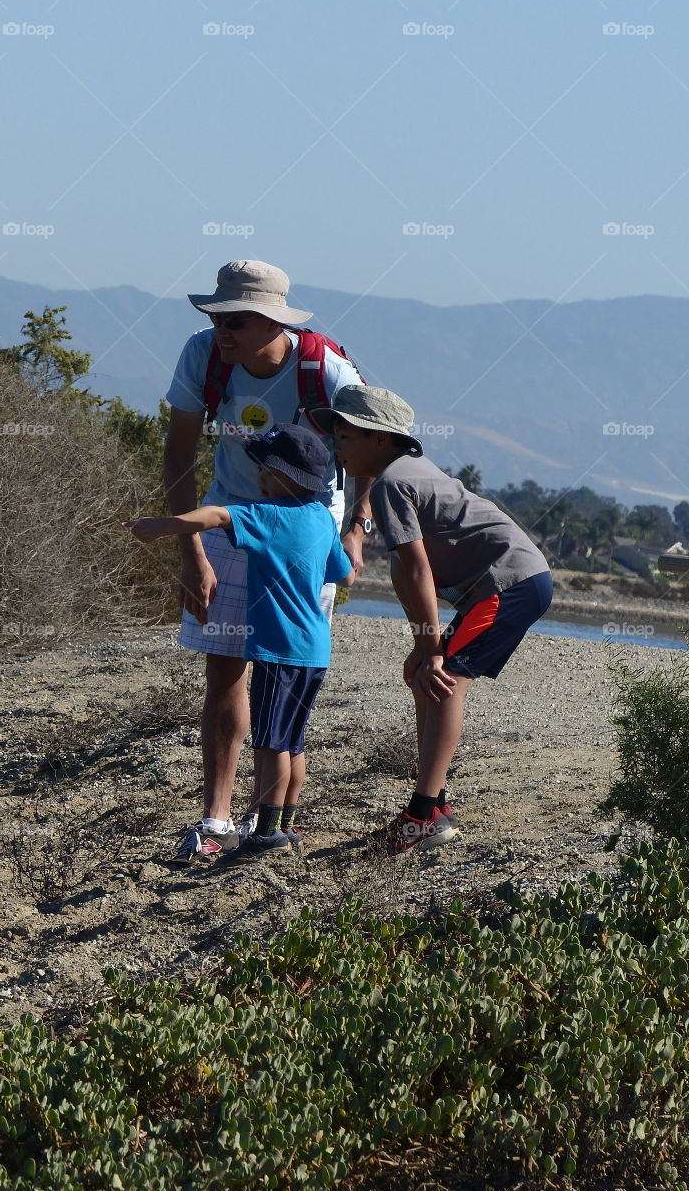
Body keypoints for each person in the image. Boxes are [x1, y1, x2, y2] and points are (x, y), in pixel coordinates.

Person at [163, 260, 372, 861]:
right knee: (224, 664)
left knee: (284, 667)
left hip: (308, 524)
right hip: (226, 516)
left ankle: (271, 815)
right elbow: (177, 454)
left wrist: (357, 526)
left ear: (274, 321)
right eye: (216, 317)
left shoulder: (325, 369)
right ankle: (216, 818)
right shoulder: (202, 358)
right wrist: (191, 552)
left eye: (238, 320)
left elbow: (371, 444)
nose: (222, 329)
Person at [310, 384, 553, 855]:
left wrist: (430, 650)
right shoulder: (402, 475)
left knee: (446, 680)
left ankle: (422, 814)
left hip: (510, 582)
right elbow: (405, 571)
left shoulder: (394, 483)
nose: (335, 447)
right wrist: (425, 644)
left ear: (380, 438)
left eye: (344, 436)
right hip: (503, 583)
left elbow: (418, 568)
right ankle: (434, 808)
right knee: (429, 676)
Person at [126, 425, 355, 861]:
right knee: (293, 740)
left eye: (265, 472)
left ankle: (265, 832)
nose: (259, 480)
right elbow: (341, 572)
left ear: (283, 477)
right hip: (314, 651)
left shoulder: (267, 515)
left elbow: (214, 515)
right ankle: (288, 825)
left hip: (276, 651)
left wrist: (162, 526)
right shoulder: (322, 518)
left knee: (270, 743)